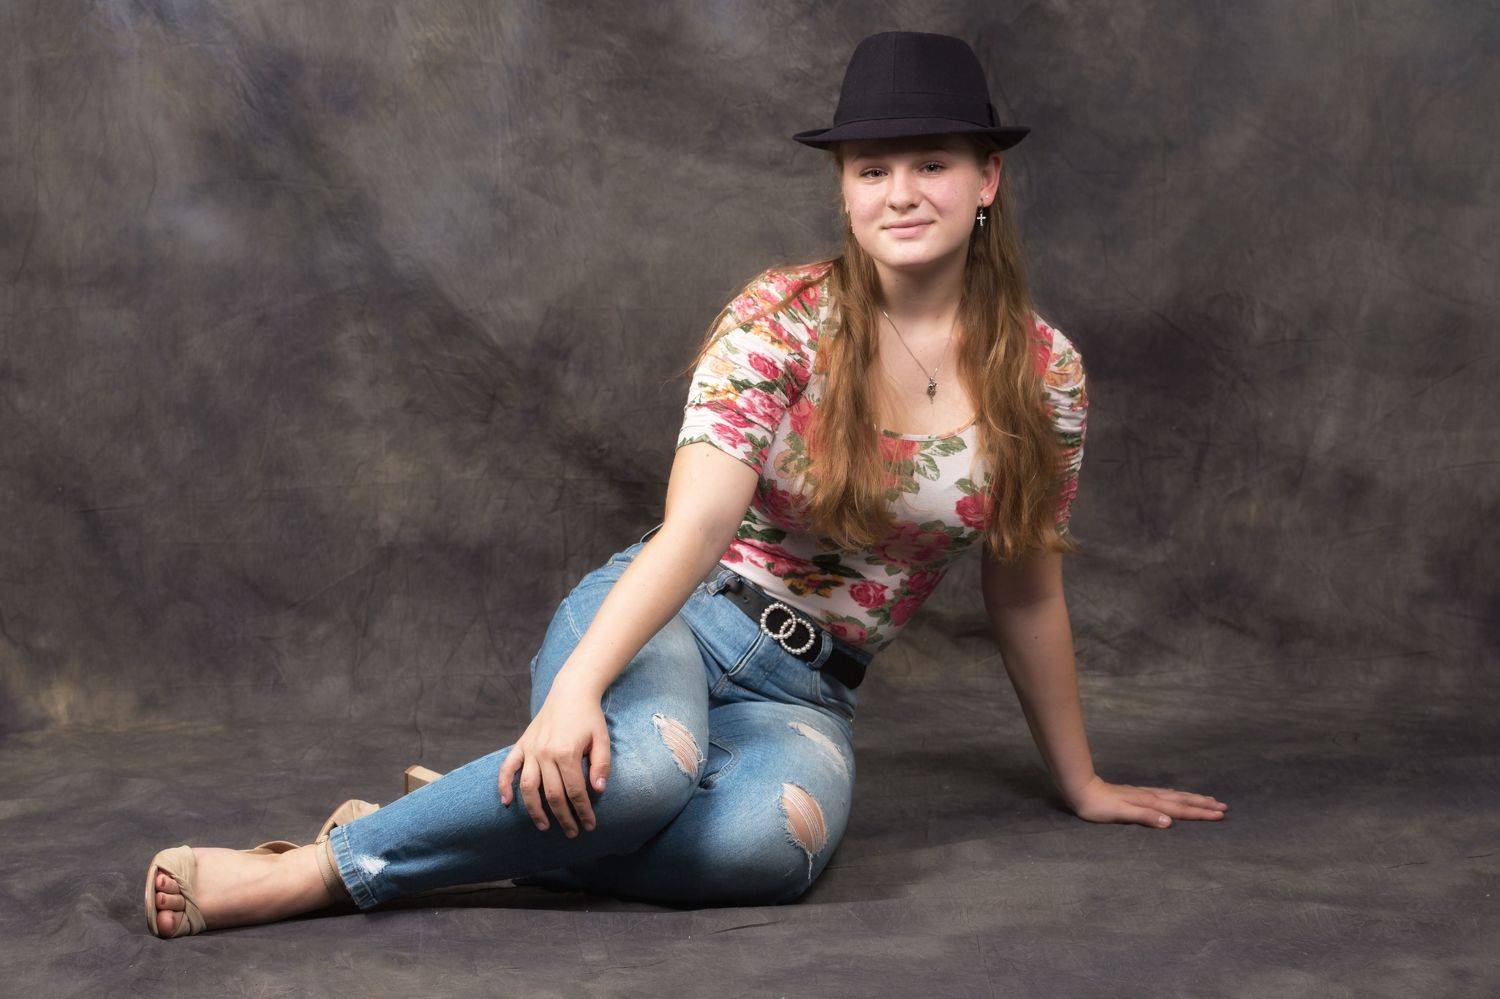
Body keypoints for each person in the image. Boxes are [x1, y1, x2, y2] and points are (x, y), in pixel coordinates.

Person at [143, 29, 1227, 938]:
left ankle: (469, 823)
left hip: (807, 693)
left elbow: (1026, 591)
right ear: (844, 190)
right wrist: (576, 692)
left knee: (774, 847)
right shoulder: (783, 320)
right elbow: (695, 529)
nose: (902, 193)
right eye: (871, 169)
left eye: (932, 164)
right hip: (677, 620)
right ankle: (321, 869)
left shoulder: (1046, 373)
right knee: (646, 775)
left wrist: (1082, 782)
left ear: (987, 180)